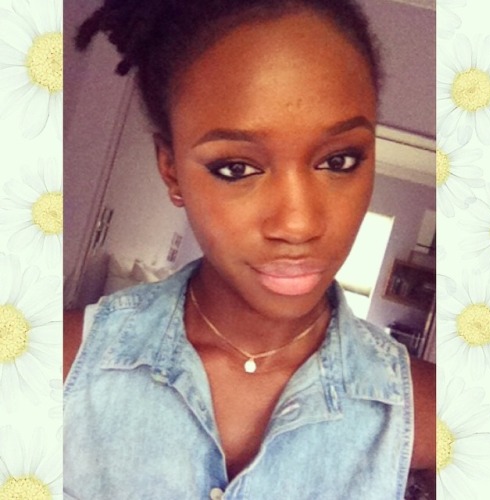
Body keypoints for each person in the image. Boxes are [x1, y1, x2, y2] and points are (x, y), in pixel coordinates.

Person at [64, 0, 436, 498]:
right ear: (171, 171)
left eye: (339, 160)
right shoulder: (59, 365)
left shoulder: (433, 416)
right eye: (236, 168)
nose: (298, 224)